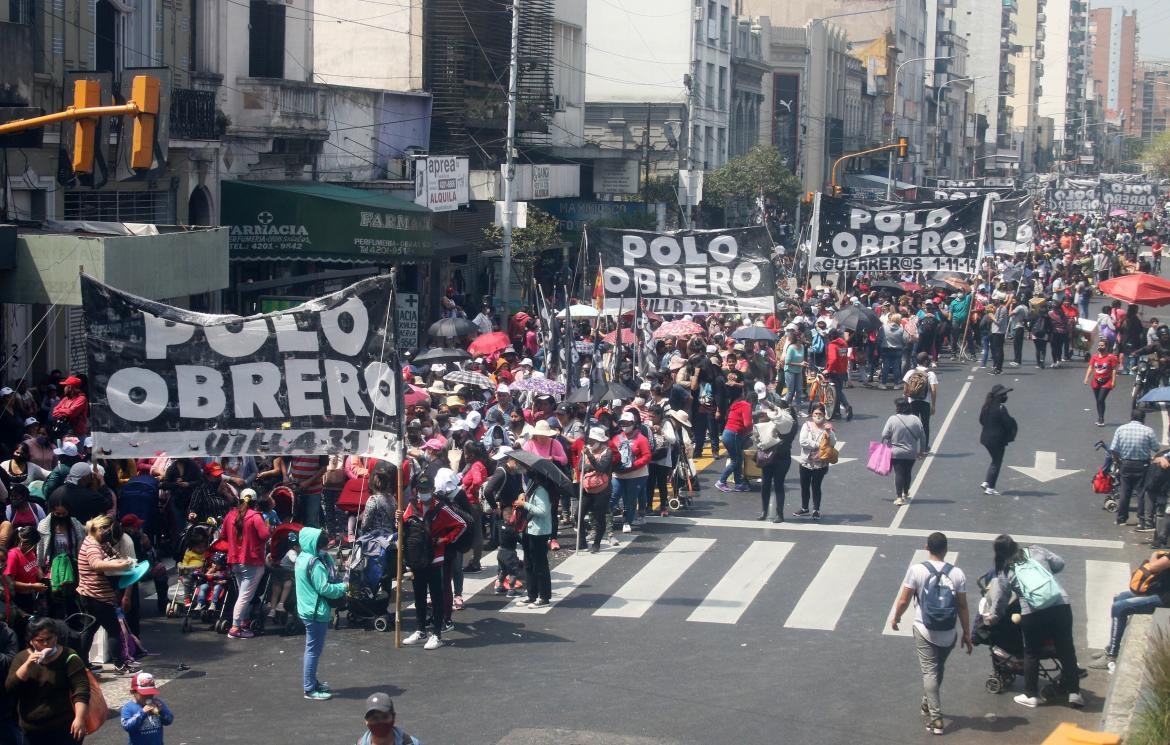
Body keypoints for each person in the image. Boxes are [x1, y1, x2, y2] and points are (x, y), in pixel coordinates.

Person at [984, 535, 1083, 709]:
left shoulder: (1005, 570)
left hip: (1033, 612)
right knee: (1067, 649)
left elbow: (1001, 600)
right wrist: (1047, 574)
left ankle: (1031, 695)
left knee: (1031, 653)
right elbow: (1060, 563)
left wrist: (992, 618)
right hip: (1060, 604)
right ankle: (1075, 694)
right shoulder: (1036, 550)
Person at [890, 532, 972, 735]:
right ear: (946, 549)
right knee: (938, 668)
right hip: (948, 633)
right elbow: (962, 606)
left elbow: (904, 600)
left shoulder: (917, 570)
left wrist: (896, 617)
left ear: (927, 547)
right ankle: (927, 702)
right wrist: (967, 633)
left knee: (930, 671)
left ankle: (936, 718)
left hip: (924, 628)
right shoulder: (958, 574)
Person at [401, 474, 467, 651]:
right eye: (421, 490)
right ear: (417, 490)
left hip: (435, 558)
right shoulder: (412, 505)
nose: (423, 493)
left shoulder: (442, 509)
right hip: (416, 558)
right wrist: (398, 519)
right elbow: (403, 526)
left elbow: (461, 524)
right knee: (419, 596)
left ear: (432, 490)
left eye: (426, 490)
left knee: (437, 597)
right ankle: (420, 630)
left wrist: (445, 540)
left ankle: (437, 634)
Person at [5, 616, 89, 745]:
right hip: (31, 731)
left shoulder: (69, 656)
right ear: (31, 641)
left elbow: (81, 690)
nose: (45, 644)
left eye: (49, 639)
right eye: (40, 640)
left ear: (56, 636)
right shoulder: (21, 658)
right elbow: (11, 688)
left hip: (64, 728)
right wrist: (27, 666)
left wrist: (79, 718)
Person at [1088, 550, 1170, 672]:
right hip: (1160, 591)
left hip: (1164, 599)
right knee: (1120, 597)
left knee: (1120, 607)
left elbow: (1153, 567)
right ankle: (1112, 647)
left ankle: (1111, 656)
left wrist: (1154, 554)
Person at [77, 515, 139, 674]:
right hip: (95, 595)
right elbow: (96, 564)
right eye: (106, 530)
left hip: (93, 594)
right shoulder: (92, 545)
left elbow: (116, 556)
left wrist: (124, 562)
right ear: (98, 529)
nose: (107, 534)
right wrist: (119, 565)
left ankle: (83, 664)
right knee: (113, 629)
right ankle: (119, 664)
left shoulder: (101, 543)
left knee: (90, 629)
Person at [295, 526, 346, 701]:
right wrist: (342, 587)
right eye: (323, 546)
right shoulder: (315, 564)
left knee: (312, 649)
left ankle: (312, 682)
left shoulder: (303, 558)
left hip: (307, 609)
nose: (325, 549)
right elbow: (324, 588)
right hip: (315, 612)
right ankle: (309, 688)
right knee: (313, 650)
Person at [220, 488, 270, 639]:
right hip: (252, 561)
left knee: (243, 593)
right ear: (255, 502)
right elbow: (264, 535)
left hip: (235, 560)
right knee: (245, 596)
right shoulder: (255, 517)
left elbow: (223, 536)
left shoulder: (230, 515)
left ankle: (243, 621)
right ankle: (235, 627)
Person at [1110, 408, 1161, 531]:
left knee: (1125, 491)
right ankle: (1141, 520)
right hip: (1142, 465)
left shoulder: (1121, 429)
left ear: (1131, 417)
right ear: (1143, 418)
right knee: (1141, 493)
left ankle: (1121, 518)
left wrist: (1117, 461)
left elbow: (1114, 449)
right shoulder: (1148, 431)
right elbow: (1156, 448)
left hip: (1125, 464)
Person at [512, 461, 553, 609]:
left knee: (540, 565)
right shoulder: (533, 488)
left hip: (539, 532)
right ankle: (531, 595)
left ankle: (544, 597)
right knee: (529, 564)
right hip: (529, 530)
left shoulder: (541, 490)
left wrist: (525, 505)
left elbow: (543, 511)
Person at [754, 398, 795, 522]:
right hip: (768, 457)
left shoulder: (790, 422)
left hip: (782, 458)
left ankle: (780, 514)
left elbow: (784, 428)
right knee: (765, 485)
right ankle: (764, 511)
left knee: (778, 485)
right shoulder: (769, 420)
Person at [881, 398, 927, 506]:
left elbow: (884, 434)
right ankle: (906, 492)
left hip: (896, 452)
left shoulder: (893, 419)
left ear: (899, 408)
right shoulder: (916, 419)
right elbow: (923, 436)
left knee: (899, 473)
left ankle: (899, 497)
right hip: (911, 453)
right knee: (908, 472)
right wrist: (922, 451)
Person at [610, 411, 650, 533]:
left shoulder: (641, 439)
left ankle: (627, 521)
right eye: (622, 423)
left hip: (636, 474)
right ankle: (606, 518)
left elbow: (647, 456)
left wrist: (633, 465)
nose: (624, 425)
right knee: (613, 495)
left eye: (627, 423)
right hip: (618, 473)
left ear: (634, 423)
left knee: (630, 499)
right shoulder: (617, 438)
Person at [795, 403, 835, 520]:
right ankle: (804, 508)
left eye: (820, 413)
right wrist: (819, 445)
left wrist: (828, 433)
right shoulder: (806, 426)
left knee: (816, 486)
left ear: (824, 415)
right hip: (805, 462)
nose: (818, 415)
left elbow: (832, 443)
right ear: (812, 414)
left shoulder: (828, 428)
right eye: (816, 413)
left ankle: (816, 509)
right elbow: (803, 441)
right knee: (804, 485)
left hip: (820, 463)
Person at [714, 372, 752, 493]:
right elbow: (747, 424)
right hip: (734, 434)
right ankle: (721, 481)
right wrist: (752, 429)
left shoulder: (737, 404)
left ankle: (739, 483)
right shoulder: (746, 406)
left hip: (727, 433)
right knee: (736, 460)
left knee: (737, 458)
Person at [578, 427, 614, 552]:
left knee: (599, 517)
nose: (591, 443)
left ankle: (596, 543)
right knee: (578, 515)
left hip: (602, 490)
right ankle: (582, 542)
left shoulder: (608, 452)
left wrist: (590, 458)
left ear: (600, 441)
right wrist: (590, 465)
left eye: (593, 441)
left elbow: (602, 468)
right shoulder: (585, 450)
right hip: (587, 489)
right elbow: (579, 467)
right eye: (590, 440)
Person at [978, 385, 1017, 496]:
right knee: (997, 462)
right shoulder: (1001, 408)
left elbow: (981, 420)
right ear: (999, 396)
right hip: (997, 440)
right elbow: (1008, 423)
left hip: (985, 439)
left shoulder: (986, 406)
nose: (1005, 396)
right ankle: (991, 487)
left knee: (994, 460)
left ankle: (987, 482)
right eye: (1004, 394)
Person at [121, 671, 174, 745]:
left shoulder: (158, 703)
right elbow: (127, 727)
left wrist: (161, 712)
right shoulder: (128, 707)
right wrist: (142, 713)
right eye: (144, 694)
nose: (149, 696)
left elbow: (169, 720)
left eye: (151, 694)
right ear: (133, 692)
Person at [902, 353, 938, 450]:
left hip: (912, 402)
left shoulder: (910, 373)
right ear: (926, 361)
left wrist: (905, 401)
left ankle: (911, 446)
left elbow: (905, 390)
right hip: (925, 402)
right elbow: (933, 390)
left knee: (912, 425)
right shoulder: (930, 374)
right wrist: (933, 406)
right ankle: (924, 447)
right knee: (925, 425)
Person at [1084, 340, 1119, 427]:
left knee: (1101, 399)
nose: (1100, 347)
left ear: (1106, 347)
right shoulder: (1095, 357)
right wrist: (1086, 378)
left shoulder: (1111, 357)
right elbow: (1090, 367)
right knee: (1098, 401)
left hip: (1106, 381)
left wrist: (1114, 381)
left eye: (1102, 345)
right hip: (1096, 381)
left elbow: (1114, 369)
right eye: (1099, 345)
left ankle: (1101, 419)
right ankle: (1100, 417)